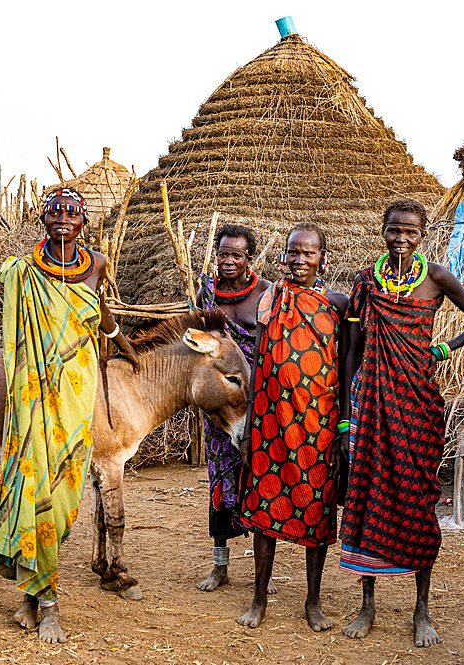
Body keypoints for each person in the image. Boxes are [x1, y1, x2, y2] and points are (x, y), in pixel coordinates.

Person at [0, 188, 140, 644]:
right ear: (43, 223)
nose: (64, 222)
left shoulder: (98, 264)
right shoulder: (25, 271)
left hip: (78, 388)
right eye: (55, 215)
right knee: (35, 488)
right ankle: (47, 604)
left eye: (73, 216)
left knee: (66, 492)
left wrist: (122, 341)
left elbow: (98, 311)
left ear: (84, 224)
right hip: (35, 392)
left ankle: (30, 598)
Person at [338, 198, 464, 644]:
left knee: (417, 499)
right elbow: (351, 351)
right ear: (382, 231)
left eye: (411, 232)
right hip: (370, 405)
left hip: (418, 404)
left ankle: (423, 608)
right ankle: (367, 606)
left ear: (423, 234)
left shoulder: (437, 277)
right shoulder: (366, 283)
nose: (401, 238)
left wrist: (443, 349)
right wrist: (347, 418)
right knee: (366, 496)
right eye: (394, 230)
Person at [236, 222, 349, 631]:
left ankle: (313, 602)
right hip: (270, 421)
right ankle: (259, 599)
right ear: (283, 256)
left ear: (323, 257)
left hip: (317, 425)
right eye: (293, 253)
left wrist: (343, 429)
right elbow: (259, 358)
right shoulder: (271, 299)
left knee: (315, 511)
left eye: (308, 253)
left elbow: (348, 364)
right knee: (265, 507)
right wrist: (250, 422)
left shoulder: (338, 304)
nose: (299, 260)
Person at [194, 224, 271, 592]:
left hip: (260, 401)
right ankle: (219, 566)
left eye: (235, 255)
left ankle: (262, 571)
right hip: (222, 406)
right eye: (223, 253)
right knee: (221, 481)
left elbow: (275, 346)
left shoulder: (266, 294)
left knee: (259, 480)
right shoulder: (206, 293)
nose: (227, 261)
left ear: (248, 259)